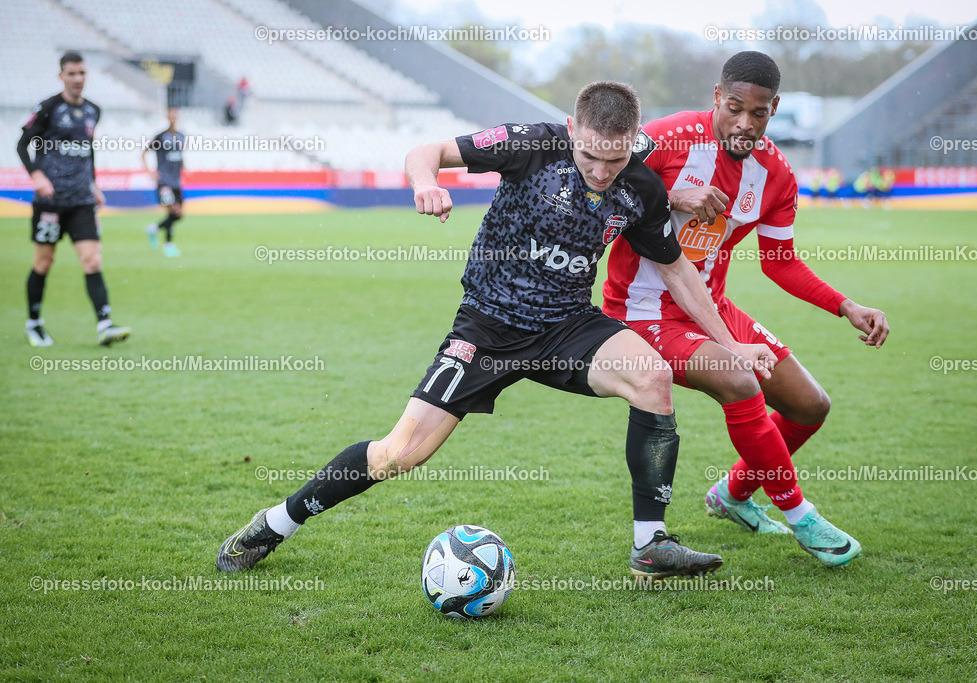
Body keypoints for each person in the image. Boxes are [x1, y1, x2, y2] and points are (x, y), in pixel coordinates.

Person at [216, 82, 776, 579]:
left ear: (632, 141)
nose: (603, 171)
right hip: (487, 327)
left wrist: (731, 344)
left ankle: (650, 545)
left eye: (616, 158)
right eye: (590, 155)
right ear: (570, 130)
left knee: (653, 378)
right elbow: (428, 150)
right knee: (398, 455)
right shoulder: (529, 145)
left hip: (566, 325)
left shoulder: (639, 186)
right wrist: (423, 183)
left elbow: (677, 268)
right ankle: (274, 523)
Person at [604, 52, 889, 568]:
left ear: (773, 109)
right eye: (734, 107)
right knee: (739, 380)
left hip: (712, 306)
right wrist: (672, 195)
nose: (744, 122)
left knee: (809, 404)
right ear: (717, 96)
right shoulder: (667, 137)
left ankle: (731, 495)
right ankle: (803, 517)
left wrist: (846, 305)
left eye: (757, 113)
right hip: (644, 309)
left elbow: (781, 264)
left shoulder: (776, 174)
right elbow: (599, 186)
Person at [16, 51, 131, 347]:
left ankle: (105, 324)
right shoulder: (49, 108)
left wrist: (93, 184)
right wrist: (36, 176)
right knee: (44, 262)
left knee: (92, 260)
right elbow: (22, 144)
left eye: (82, 73)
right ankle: (34, 323)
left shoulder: (94, 110)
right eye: (72, 74)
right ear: (61, 76)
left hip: (81, 200)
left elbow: (87, 149)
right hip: (51, 201)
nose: (78, 79)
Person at [143, 107, 185, 257]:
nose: (173, 118)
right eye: (171, 115)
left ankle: (154, 228)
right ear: (167, 117)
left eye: (175, 115)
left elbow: (179, 156)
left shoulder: (181, 136)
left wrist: (183, 170)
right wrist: (150, 171)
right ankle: (169, 245)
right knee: (173, 211)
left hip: (176, 181)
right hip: (164, 181)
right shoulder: (160, 137)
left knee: (179, 214)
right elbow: (144, 153)